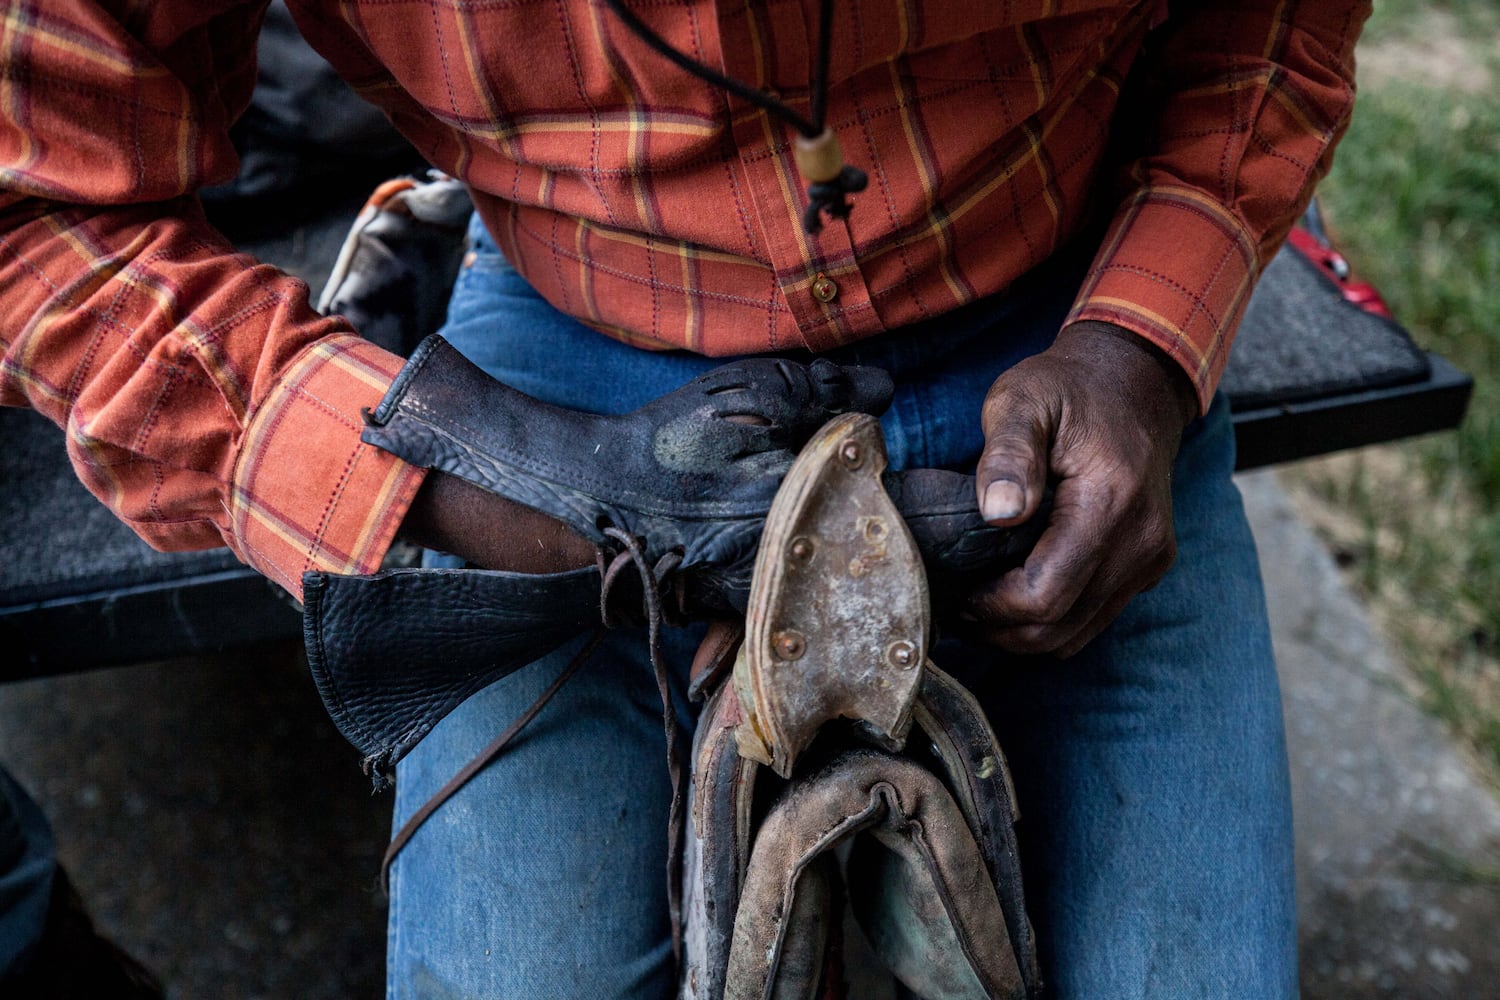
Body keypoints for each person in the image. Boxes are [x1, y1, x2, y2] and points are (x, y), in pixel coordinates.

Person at [0, 1, 1369, 996]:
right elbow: (38, 222)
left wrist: (1150, 335)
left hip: (1055, 305)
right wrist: (498, 484)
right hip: (564, 343)